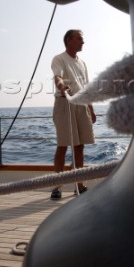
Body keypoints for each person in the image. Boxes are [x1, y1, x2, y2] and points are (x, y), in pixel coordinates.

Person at [50, 29, 96, 199]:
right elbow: (57, 77)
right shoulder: (59, 59)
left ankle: (79, 184)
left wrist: (90, 109)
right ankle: (57, 185)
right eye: (80, 39)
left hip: (81, 104)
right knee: (62, 145)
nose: (83, 42)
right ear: (69, 40)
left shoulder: (82, 63)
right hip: (65, 103)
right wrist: (62, 87)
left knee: (80, 145)